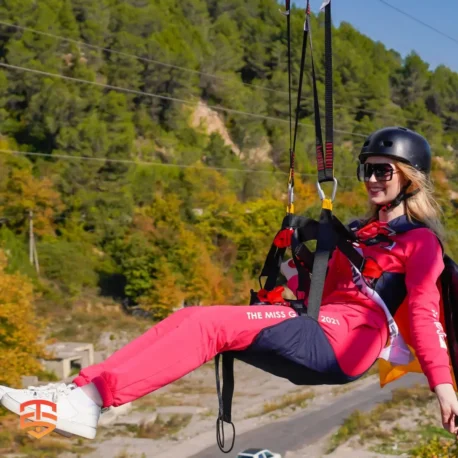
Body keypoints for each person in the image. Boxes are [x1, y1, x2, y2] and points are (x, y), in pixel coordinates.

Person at [1, 127, 457, 441]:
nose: (373, 179)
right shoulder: (360, 230)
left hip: (342, 345)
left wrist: (444, 387)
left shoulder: (420, 243)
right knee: (192, 318)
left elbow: (423, 314)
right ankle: (82, 392)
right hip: (318, 326)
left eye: (385, 171)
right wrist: (311, 247)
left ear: (410, 179)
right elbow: (322, 287)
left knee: (207, 326)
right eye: (368, 170)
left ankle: (90, 400)